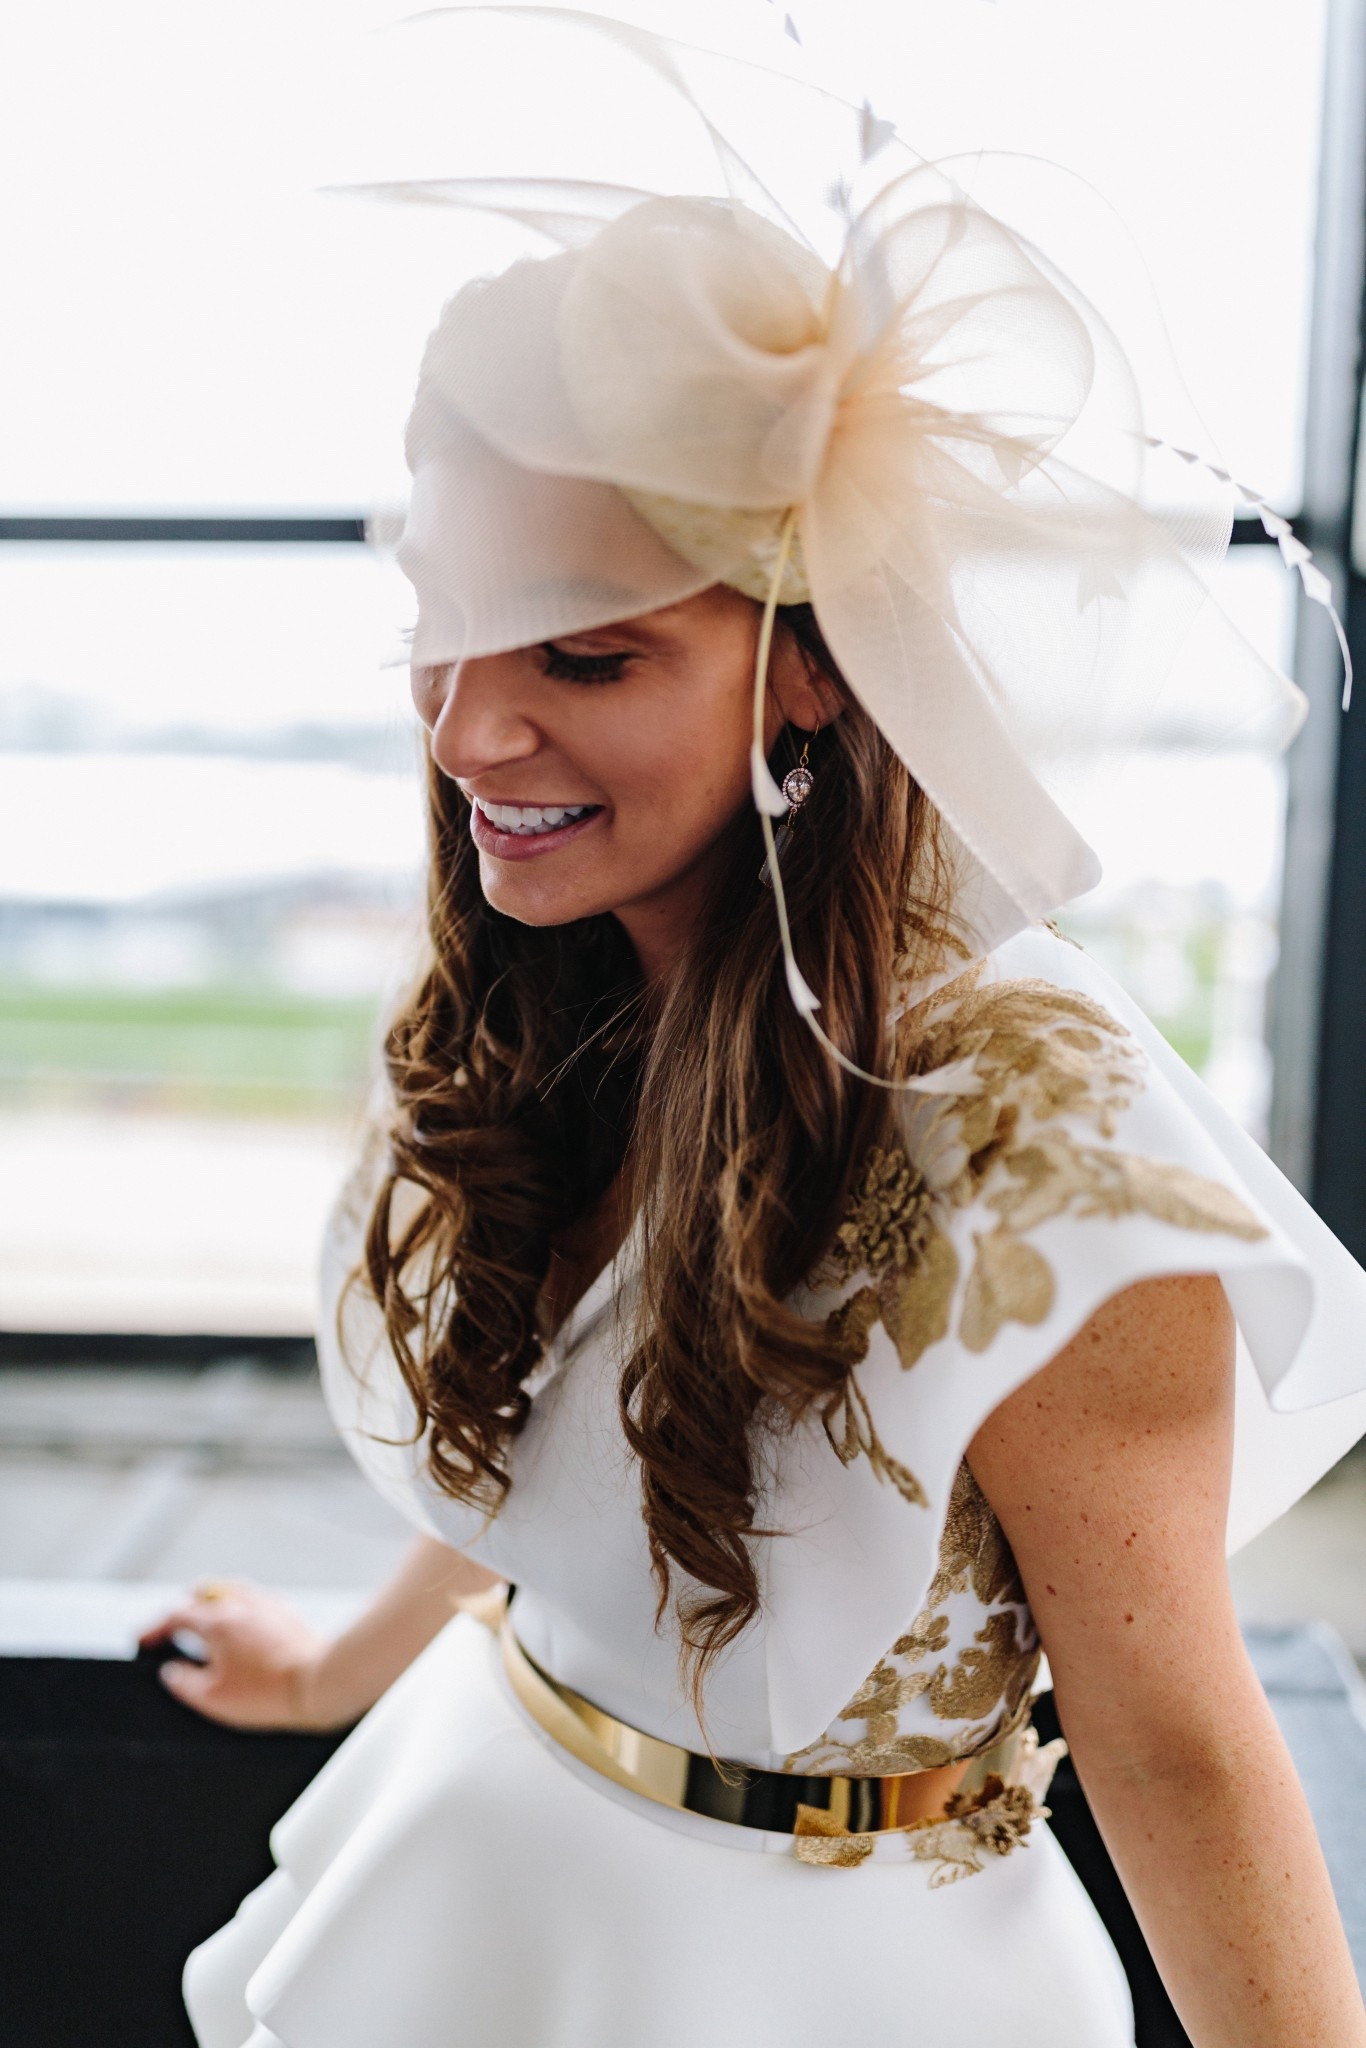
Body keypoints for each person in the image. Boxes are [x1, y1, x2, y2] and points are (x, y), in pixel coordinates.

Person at [142, 9, 1366, 2044]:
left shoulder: (1038, 1154)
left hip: (820, 1970)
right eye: (438, 621)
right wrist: (342, 1666)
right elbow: (587, 1459)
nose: (468, 730)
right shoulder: (560, 976)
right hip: (478, 1832)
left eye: (584, 653)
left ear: (812, 665)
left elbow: (1179, 1750)